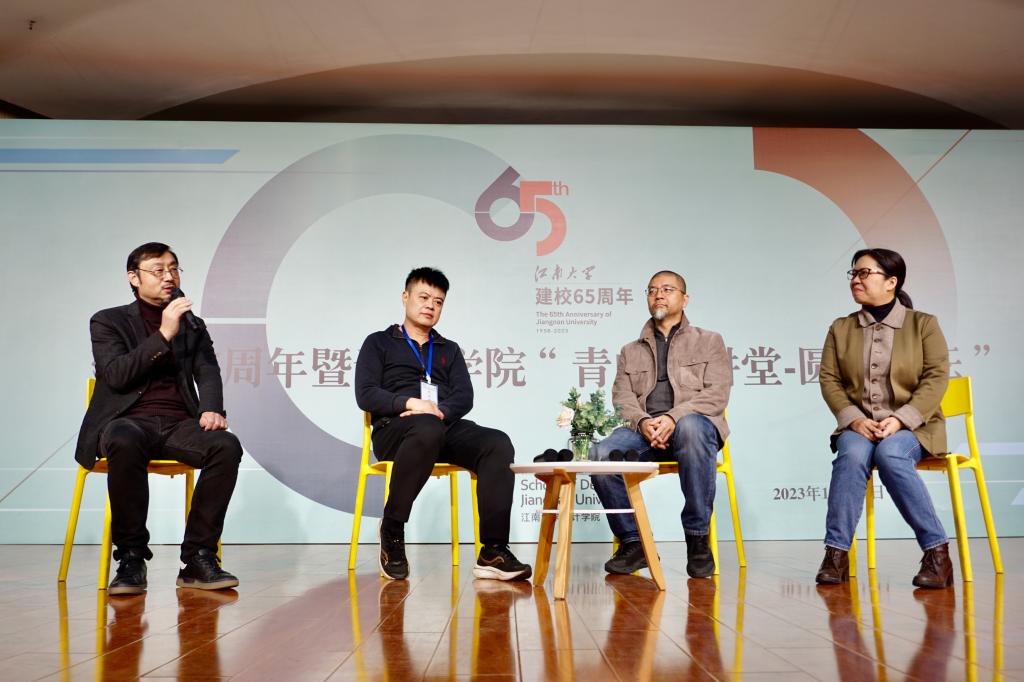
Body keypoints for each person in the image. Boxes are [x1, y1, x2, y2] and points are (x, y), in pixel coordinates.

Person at [75, 242, 242, 595]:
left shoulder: (192, 325)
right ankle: (131, 558)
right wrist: (163, 333)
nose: (169, 276)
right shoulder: (108, 321)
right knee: (123, 439)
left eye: (174, 268)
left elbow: (207, 370)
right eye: (158, 269)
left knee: (226, 446)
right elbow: (116, 376)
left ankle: (198, 558)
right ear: (133, 278)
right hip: (128, 421)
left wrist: (211, 407)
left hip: (179, 423)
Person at [354, 267, 531, 582]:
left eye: (438, 302)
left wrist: (439, 412)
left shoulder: (448, 349)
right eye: (423, 297)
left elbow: (464, 396)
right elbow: (365, 393)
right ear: (405, 296)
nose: (430, 306)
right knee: (426, 428)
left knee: (497, 443)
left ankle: (492, 550)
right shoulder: (378, 342)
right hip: (396, 430)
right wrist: (411, 404)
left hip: (441, 424)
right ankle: (392, 527)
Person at [816, 248, 952, 588]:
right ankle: (836, 554)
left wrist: (901, 419)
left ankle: (937, 553)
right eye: (853, 273)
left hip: (915, 427)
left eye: (865, 273)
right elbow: (829, 379)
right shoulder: (841, 328)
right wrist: (854, 419)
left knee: (891, 453)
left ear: (891, 282)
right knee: (851, 454)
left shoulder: (923, 324)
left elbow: (936, 377)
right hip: (859, 426)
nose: (856, 280)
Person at [589, 270, 732, 578]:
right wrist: (643, 422)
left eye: (667, 289)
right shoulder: (630, 350)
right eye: (652, 290)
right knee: (600, 454)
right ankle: (634, 542)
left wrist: (673, 418)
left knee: (691, 428)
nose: (659, 295)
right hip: (643, 433)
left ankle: (697, 538)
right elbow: (622, 398)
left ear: (685, 299)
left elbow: (717, 394)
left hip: (693, 430)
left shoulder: (709, 341)